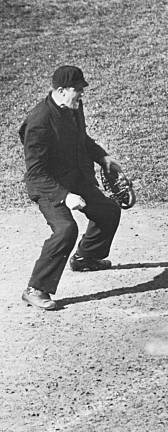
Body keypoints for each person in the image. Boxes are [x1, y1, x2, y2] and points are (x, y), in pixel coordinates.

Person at [19, 65, 124, 310]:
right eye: (77, 89)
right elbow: (36, 171)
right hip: (47, 186)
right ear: (61, 90)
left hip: (74, 177)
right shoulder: (39, 122)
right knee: (66, 229)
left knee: (108, 211)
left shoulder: (74, 107)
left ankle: (86, 257)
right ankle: (35, 289)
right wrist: (65, 196)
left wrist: (103, 157)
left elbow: (81, 139)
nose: (81, 94)